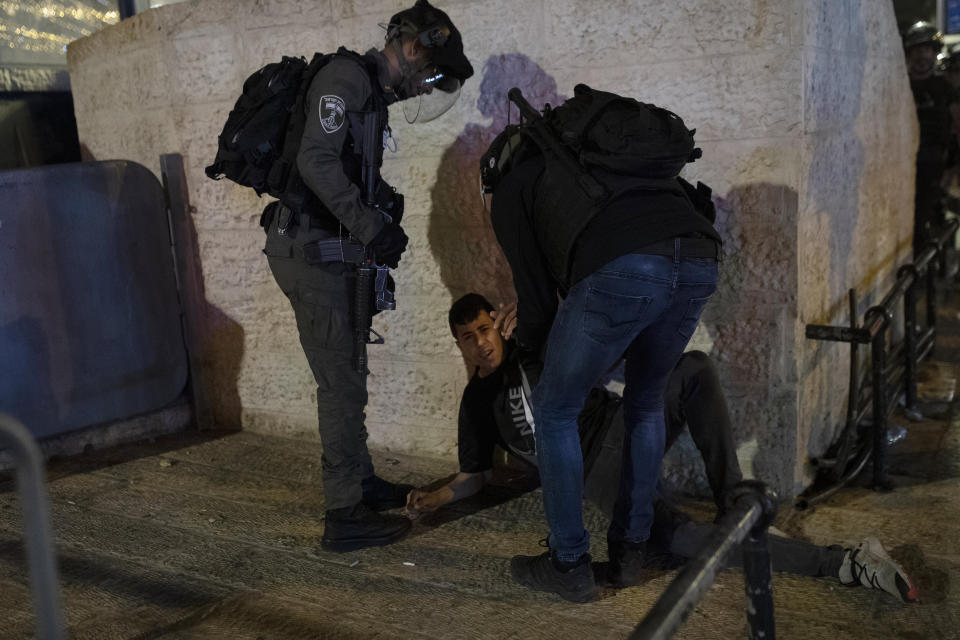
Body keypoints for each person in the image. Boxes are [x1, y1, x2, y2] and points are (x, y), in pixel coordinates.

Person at [405, 294, 918, 604]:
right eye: (468, 338)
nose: (481, 343)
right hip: (596, 474)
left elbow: (585, 324)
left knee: (694, 369)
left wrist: (540, 317)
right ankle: (846, 563)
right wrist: (435, 499)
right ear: (459, 345)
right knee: (684, 542)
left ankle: (735, 500)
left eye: (484, 329)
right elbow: (472, 475)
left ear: (498, 323)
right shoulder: (476, 403)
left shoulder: (533, 344)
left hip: (623, 422)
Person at [487, 92, 722, 602]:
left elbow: (538, 305)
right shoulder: (598, 163)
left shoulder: (512, 187)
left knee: (553, 410)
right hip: (701, 254)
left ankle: (568, 564)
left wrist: (530, 342)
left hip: (626, 263)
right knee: (645, 399)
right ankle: (630, 554)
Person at [260, 0, 473, 553]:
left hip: (329, 249)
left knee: (349, 372)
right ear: (408, 45)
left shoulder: (368, 92)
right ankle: (343, 514)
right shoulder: (344, 78)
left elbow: (347, 171)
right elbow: (316, 163)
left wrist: (376, 217)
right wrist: (371, 225)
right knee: (340, 384)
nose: (427, 87)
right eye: (429, 73)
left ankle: (360, 482)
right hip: (309, 250)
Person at [904, 21, 959, 256]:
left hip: (932, 162)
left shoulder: (944, 88)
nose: (922, 55)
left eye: (927, 49)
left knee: (921, 219)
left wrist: (955, 166)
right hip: (897, 163)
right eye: (917, 49)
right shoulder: (898, 83)